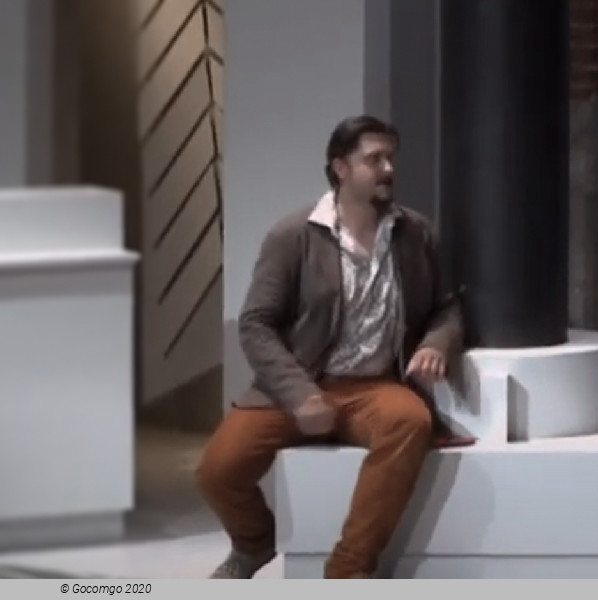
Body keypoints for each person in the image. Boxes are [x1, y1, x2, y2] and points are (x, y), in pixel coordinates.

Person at [195, 115, 470, 579]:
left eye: (391, 158)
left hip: (373, 386)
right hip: (299, 383)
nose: (388, 169)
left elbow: (447, 307)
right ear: (340, 168)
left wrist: (436, 344)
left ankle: (348, 570)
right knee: (217, 472)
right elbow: (256, 324)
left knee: (409, 422)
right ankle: (254, 543)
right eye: (374, 159)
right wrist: (299, 393)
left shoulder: (415, 233)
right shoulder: (293, 235)